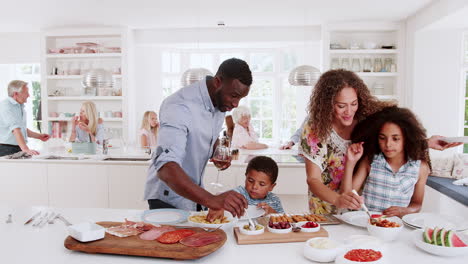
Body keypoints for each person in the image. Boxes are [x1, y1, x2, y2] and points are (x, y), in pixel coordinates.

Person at [299, 69, 461, 215]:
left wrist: (426, 143)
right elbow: (313, 179)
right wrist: (338, 200)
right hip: (326, 203)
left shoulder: (369, 117)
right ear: (327, 105)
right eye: (341, 106)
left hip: (362, 206)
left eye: (353, 104)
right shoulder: (315, 128)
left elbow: (392, 139)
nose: (349, 111)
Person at [144, 58, 252, 220]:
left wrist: (216, 152)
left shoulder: (220, 102)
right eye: (234, 96)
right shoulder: (179, 106)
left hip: (193, 193)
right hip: (167, 198)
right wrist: (213, 200)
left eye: (240, 99)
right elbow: (166, 168)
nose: (236, 104)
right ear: (217, 82)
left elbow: (206, 136)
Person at [342, 106, 430, 217]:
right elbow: (346, 196)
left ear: (407, 138)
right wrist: (350, 162)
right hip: (367, 223)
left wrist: (405, 211)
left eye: (395, 138)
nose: (388, 144)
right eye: (382, 138)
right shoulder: (370, 161)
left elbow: (417, 204)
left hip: (395, 227)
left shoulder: (421, 168)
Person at [209, 156, 284, 219]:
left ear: (271, 187)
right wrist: (219, 207)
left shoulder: (274, 200)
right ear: (246, 176)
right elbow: (218, 199)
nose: (254, 187)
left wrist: (272, 213)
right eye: (250, 181)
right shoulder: (237, 194)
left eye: (261, 184)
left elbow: (284, 220)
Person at [0, 80, 50, 156]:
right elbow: (16, 129)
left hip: (17, 147)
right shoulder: (6, 106)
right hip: (6, 149)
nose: (29, 95)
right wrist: (26, 149)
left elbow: (21, 129)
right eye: (26, 92)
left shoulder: (19, 106)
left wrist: (39, 136)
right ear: (16, 94)